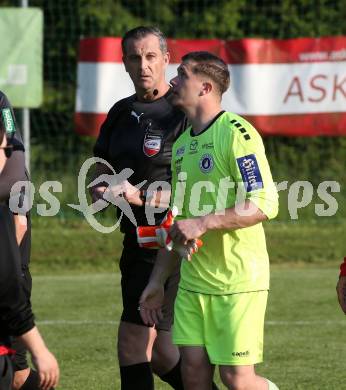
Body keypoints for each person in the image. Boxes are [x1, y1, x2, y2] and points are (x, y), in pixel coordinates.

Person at [139, 51, 280, 390]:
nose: (172, 81)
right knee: (194, 373)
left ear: (204, 87)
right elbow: (181, 220)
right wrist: (158, 280)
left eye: (181, 75)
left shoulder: (237, 134)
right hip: (193, 282)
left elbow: (264, 202)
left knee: (237, 380)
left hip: (237, 281)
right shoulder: (184, 143)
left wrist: (204, 222)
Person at [91, 26, 197, 390]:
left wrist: (140, 195)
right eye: (134, 57)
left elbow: (197, 189)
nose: (143, 65)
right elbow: (100, 167)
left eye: (151, 56)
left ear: (166, 59)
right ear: (124, 63)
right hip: (134, 243)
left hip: (168, 242)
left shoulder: (183, 115)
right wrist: (100, 188)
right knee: (162, 354)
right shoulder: (120, 113)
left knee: (133, 344)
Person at [0, 120, 59, 390]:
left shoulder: (14, 172)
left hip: (12, 279)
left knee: (16, 375)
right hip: (10, 280)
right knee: (17, 375)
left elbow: (19, 224)